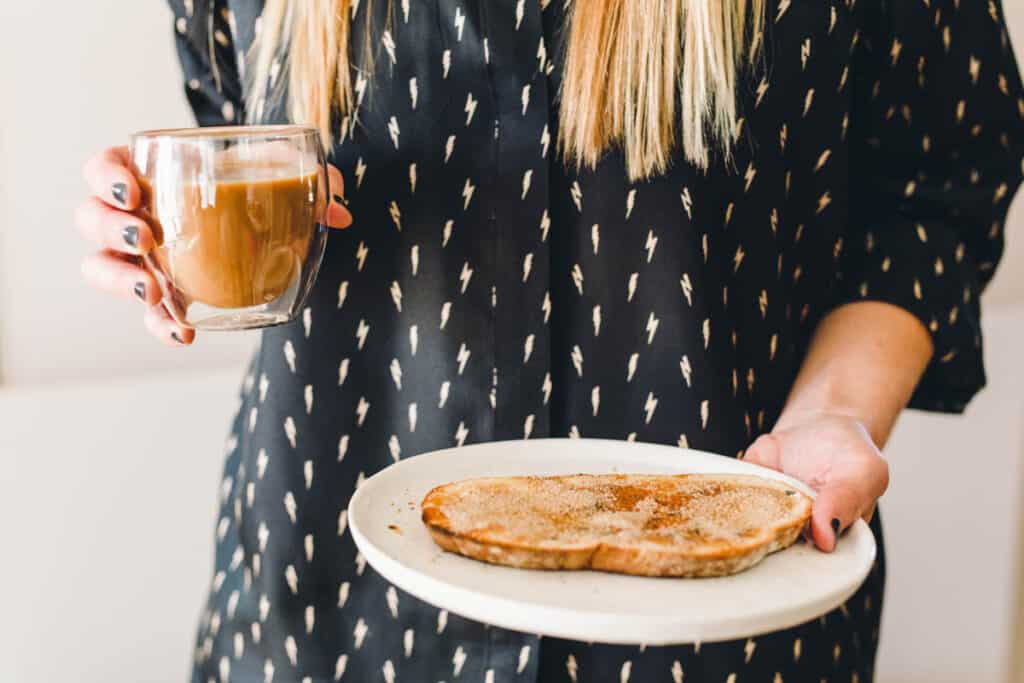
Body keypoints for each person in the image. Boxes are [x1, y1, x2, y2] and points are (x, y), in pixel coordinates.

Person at [75, 1, 1024, 680]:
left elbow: (940, 185)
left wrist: (834, 414)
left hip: (718, 629)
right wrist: (167, 232)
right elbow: (236, 134)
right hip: (327, 607)